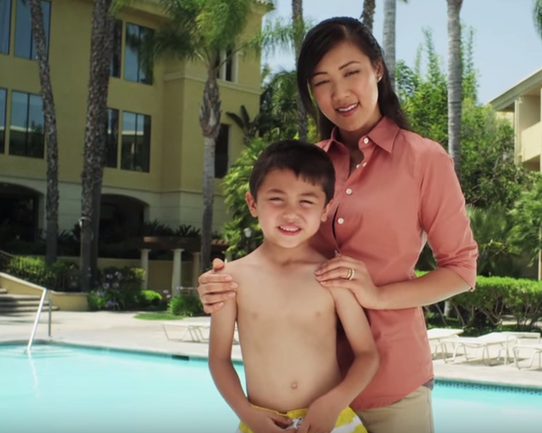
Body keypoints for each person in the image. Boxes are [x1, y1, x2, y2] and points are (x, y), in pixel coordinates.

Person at [199, 16, 478, 433]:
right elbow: (276, 255)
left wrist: (376, 296)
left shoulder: (425, 159)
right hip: (302, 398)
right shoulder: (306, 165)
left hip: (391, 381)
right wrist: (220, 286)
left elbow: (460, 271)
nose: (339, 93)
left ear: (378, 70)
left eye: (351, 73)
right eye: (322, 81)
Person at [207, 139, 379, 433]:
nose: (291, 213)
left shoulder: (331, 275)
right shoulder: (231, 279)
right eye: (277, 199)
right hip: (262, 423)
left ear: (325, 209)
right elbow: (219, 360)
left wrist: (333, 404)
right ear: (253, 203)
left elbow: (368, 355)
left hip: (330, 421)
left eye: (307, 201)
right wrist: (248, 415)